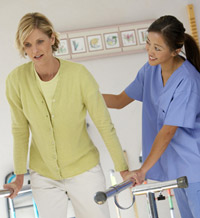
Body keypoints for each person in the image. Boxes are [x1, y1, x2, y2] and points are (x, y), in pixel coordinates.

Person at [4, 12, 131, 218]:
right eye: (27, 45)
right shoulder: (15, 81)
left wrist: (122, 169)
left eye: (39, 41)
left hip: (84, 169)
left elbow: (103, 123)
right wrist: (19, 177)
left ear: (52, 39)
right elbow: (20, 130)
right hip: (43, 174)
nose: (34, 50)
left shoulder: (79, 75)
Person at [103, 15, 200, 218]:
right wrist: (84, 98)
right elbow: (120, 101)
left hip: (195, 168)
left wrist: (142, 170)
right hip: (178, 171)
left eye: (158, 47)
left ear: (175, 50)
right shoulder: (150, 70)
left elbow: (168, 131)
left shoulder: (188, 80)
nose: (150, 51)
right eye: (148, 43)